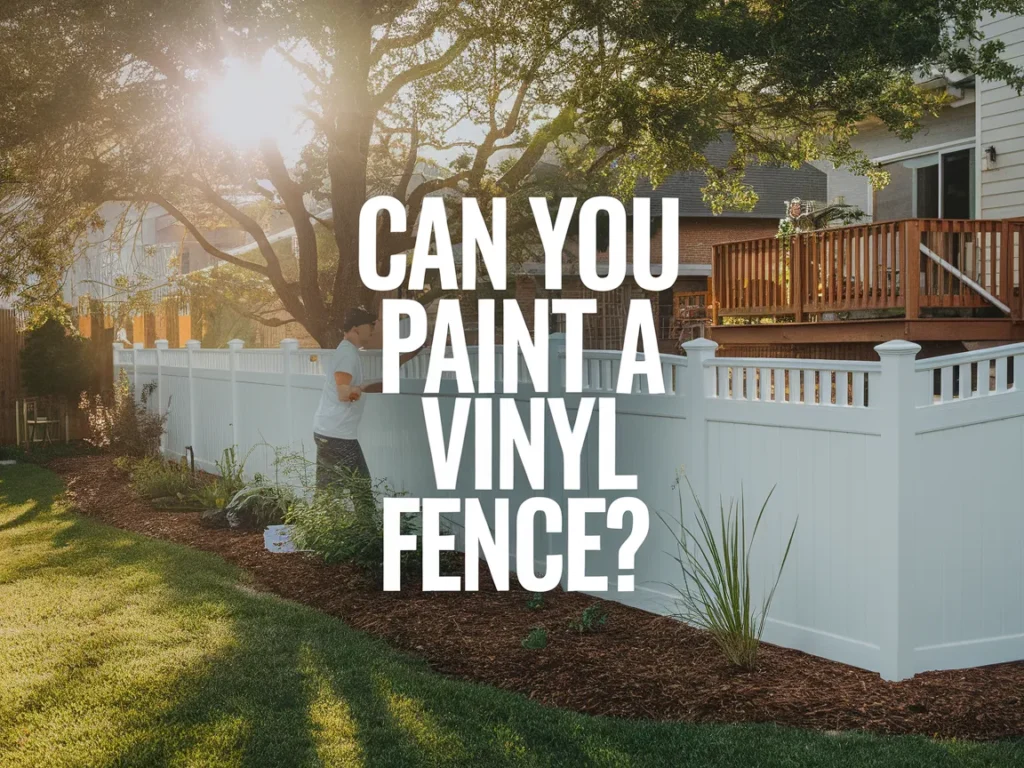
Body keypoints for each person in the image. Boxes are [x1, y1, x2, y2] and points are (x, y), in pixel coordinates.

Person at [311, 306, 422, 488]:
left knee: (330, 492)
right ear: (356, 328)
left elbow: (381, 369)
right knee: (360, 488)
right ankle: (363, 517)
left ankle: (317, 517)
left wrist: (413, 353)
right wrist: (362, 388)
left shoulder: (350, 351)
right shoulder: (347, 354)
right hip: (337, 435)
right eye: (370, 325)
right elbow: (344, 393)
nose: (373, 329)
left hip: (330, 431)